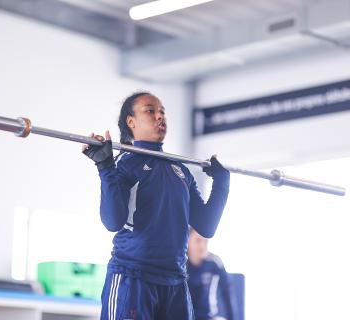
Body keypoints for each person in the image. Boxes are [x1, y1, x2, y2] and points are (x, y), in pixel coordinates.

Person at [82, 92, 230, 320]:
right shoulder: (126, 163)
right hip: (133, 278)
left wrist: (221, 183)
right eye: (150, 111)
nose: (160, 116)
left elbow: (206, 225)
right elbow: (112, 221)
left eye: (162, 111)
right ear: (131, 122)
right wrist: (105, 166)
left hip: (175, 282)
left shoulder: (180, 170)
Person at [187, 228, 236, 320]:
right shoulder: (180, 264)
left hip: (208, 316)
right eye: (198, 240)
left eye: (205, 241)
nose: (202, 246)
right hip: (186, 315)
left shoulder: (214, 262)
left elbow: (227, 293)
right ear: (188, 241)